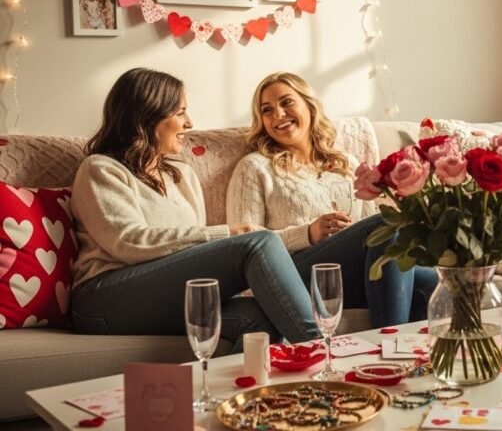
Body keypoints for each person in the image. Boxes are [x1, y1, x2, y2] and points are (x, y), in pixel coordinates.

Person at [70, 68, 323, 350]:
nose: (189, 123)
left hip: (165, 294)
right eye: (180, 112)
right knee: (257, 242)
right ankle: (321, 350)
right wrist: (226, 234)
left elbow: (191, 253)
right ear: (149, 115)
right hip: (104, 298)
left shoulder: (183, 176)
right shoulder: (101, 170)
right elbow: (128, 241)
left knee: (261, 319)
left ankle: (243, 382)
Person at [227, 73, 437, 327]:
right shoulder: (255, 167)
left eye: (286, 102)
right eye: (267, 110)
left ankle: (408, 347)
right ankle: (389, 345)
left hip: (351, 271)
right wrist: (308, 233)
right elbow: (243, 247)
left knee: (430, 279)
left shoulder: (344, 162)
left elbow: (374, 228)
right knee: (386, 225)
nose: (278, 114)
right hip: (291, 275)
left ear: (309, 106)